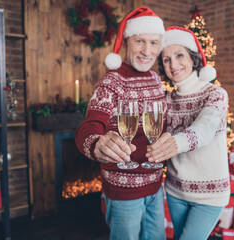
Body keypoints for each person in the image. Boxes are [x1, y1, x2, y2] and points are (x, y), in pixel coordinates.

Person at [75, 7, 166, 240]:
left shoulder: (157, 80)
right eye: (139, 41)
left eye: (154, 43)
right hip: (124, 191)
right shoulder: (111, 82)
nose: (147, 51)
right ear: (126, 42)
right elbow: (88, 128)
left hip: (156, 185)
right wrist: (97, 144)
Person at [146, 26, 230, 240]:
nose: (173, 64)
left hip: (210, 195)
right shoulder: (166, 100)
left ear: (193, 58)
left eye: (179, 55)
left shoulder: (216, 94)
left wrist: (176, 143)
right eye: (166, 60)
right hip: (175, 191)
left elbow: (205, 128)